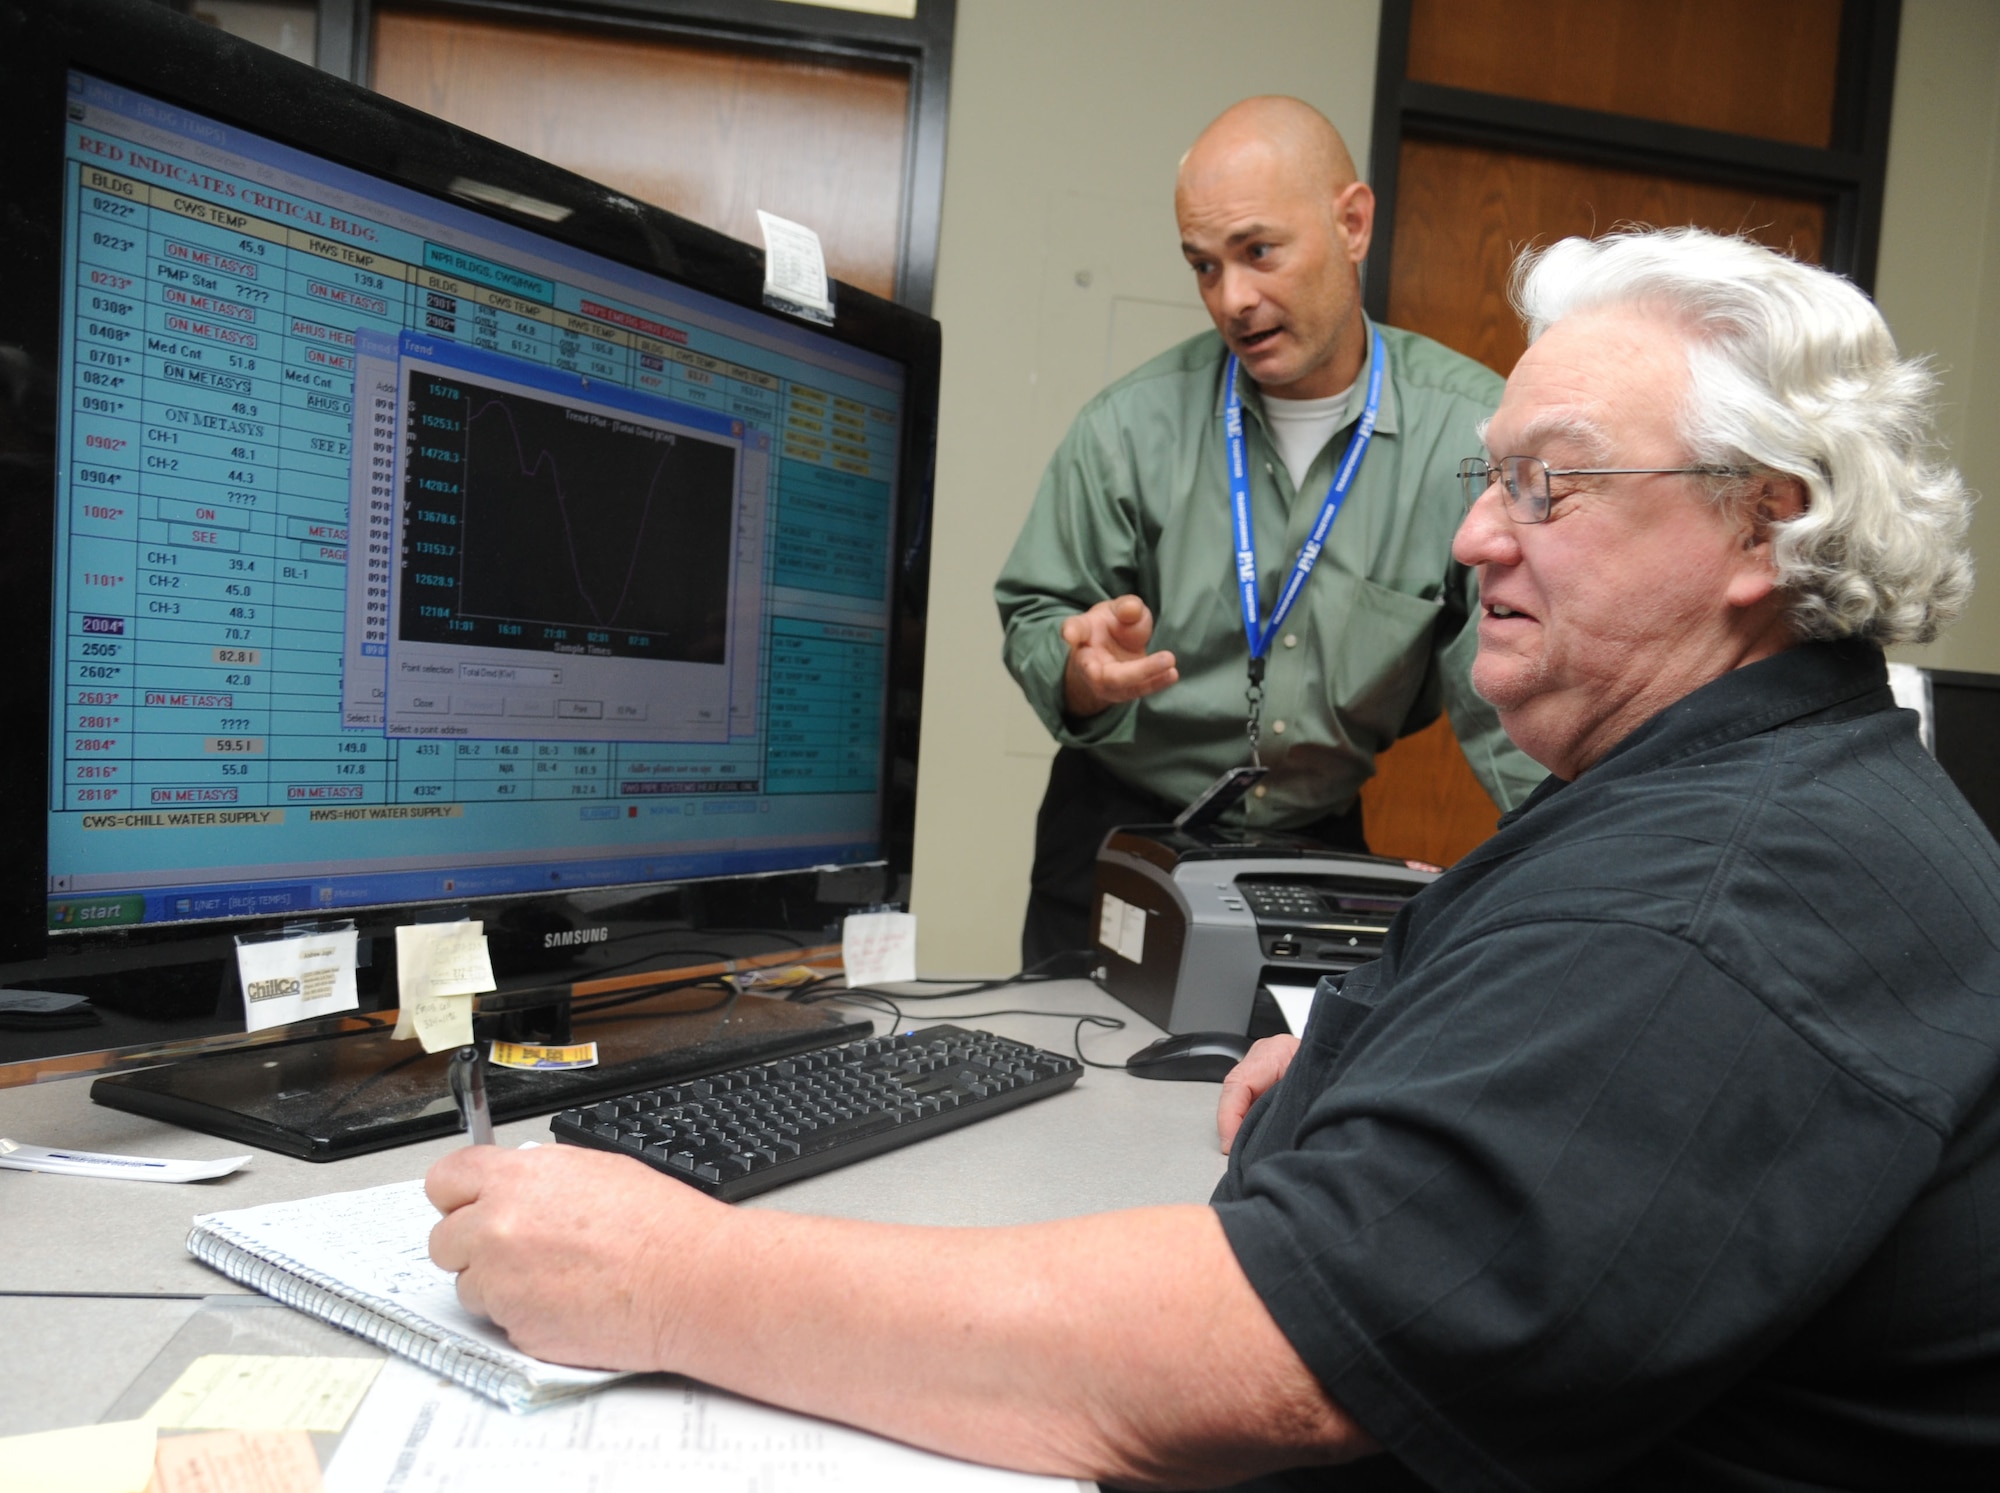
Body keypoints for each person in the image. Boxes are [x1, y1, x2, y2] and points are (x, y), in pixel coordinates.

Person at [428, 230, 2000, 1489]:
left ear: (1759, 530)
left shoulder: (1721, 902)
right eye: (1487, 477)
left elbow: (1257, 1358)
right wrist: (1366, 1069)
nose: (1475, 540)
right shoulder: (1761, 785)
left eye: (1552, 484)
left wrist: (677, 1277)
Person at [995, 96, 1543, 970]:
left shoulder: (1474, 439)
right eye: (1204, 267)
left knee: (1299, 1085)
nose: (1233, 300)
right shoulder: (1126, 429)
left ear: (1352, 222)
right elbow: (1037, 614)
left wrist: (1573, 854)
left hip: (1314, 840)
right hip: (1122, 824)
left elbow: (1516, 686)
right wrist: (1080, 673)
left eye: (1257, 252)